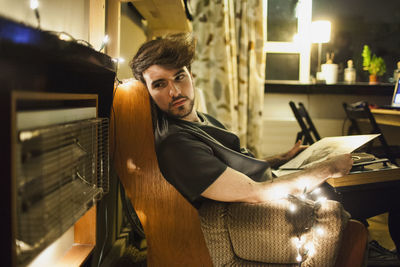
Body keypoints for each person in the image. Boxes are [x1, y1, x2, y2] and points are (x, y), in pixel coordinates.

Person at [130, 33, 400, 263]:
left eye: (179, 77)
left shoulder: (201, 120)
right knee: (392, 187)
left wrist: (278, 159)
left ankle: (370, 251)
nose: (175, 92)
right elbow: (253, 193)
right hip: (269, 204)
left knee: (377, 184)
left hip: (277, 184)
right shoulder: (176, 144)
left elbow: (231, 169)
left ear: (191, 74)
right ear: (147, 92)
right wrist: (326, 168)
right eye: (159, 84)